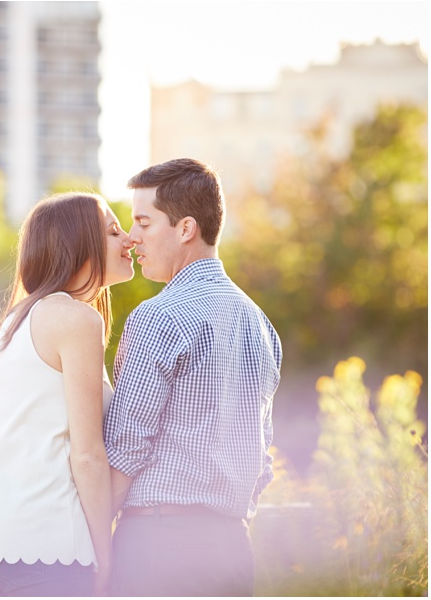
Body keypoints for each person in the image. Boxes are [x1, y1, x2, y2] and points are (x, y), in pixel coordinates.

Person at [103, 158, 283, 596]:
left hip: (158, 548)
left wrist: (90, 538)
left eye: (143, 222)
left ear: (185, 229)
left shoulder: (158, 316)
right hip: (233, 550)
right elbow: (261, 460)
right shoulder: (260, 324)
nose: (132, 237)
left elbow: (125, 448)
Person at [0, 192, 135, 596]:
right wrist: (104, 555)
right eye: (112, 230)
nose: (129, 239)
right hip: (49, 547)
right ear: (79, 245)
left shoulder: (15, 323)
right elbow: (87, 455)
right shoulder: (76, 320)